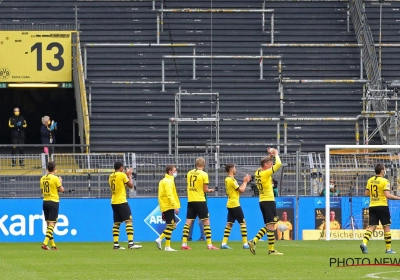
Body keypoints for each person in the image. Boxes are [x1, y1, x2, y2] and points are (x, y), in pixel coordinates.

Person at [248, 147, 283, 255]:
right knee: (271, 225)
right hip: (268, 200)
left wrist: (270, 156)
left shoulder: (258, 171)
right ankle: (256, 242)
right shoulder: (265, 173)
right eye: (270, 163)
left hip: (262, 201)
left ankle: (268, 248)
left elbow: (265, 163)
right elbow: (279, 164)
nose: (271, 164)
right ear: (266, 165)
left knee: (270, 224)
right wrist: (276, 154)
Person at [360, 163, 400, 254]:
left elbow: (366, 194)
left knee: (372, 227)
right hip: (382, 206)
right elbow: (387, 195)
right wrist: (398, 198)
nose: (385, 170)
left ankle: (364, 243)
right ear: (382, 171)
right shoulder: (385, 181)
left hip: (372, 206)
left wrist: (376, 194)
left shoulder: (370, 180)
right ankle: (388, 249)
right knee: (386, 226)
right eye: (384, 169)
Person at [181, 157, 219, 250]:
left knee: (188, 222)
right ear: (204, 164)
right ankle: (209, 245)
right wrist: (210, 190)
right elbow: (205, 190)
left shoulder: (189, 173)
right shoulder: (204, 174)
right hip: (200, 200)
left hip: (191, 200)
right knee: (206, 221)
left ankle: (184, 244)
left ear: (196, 164)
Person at [109, 161, 142, 250]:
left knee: (116, 223)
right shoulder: (122, 175)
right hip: (121, 201)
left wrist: (126, 176)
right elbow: (131, 185)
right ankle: (131, 243)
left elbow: (120, 185)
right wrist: (129, 175)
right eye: (122, 167)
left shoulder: (111, 176)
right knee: (129, 221)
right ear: (120, 167)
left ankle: (116, 244)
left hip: (113, 201)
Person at [220, 163, 251, 249]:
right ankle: (245, 244)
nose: (235, 170)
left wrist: (244, 182)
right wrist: (245, 182)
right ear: (231, 169)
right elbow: (241, 190)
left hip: (230, 203)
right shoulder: (231, 180)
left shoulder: (228, 179)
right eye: (234, 168)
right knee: (243, 223)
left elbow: (237, 189)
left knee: (229, 224)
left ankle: (223, 243)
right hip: (235, 204)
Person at [155, 164, 180, 252]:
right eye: (174, 171)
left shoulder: (163, 181)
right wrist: (175, 206)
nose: (175, 172)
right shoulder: (168, 182)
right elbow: (170, 195)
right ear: (170, 171)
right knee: (172, 226)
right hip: (168, 205)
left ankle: (167, 246)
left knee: (170, 225)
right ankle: (160, 239)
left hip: (165, 205)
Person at [40, 161, 64, 250]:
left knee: (48, 224)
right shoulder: (55, 178)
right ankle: (45, 243)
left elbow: (42, 191)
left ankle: (53, 245)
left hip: (45, 201)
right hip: (53, 201)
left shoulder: (42, 178)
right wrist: (60, 182)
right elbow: (61, 190)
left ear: (47, 169)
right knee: (52, 224)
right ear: (55, 169)